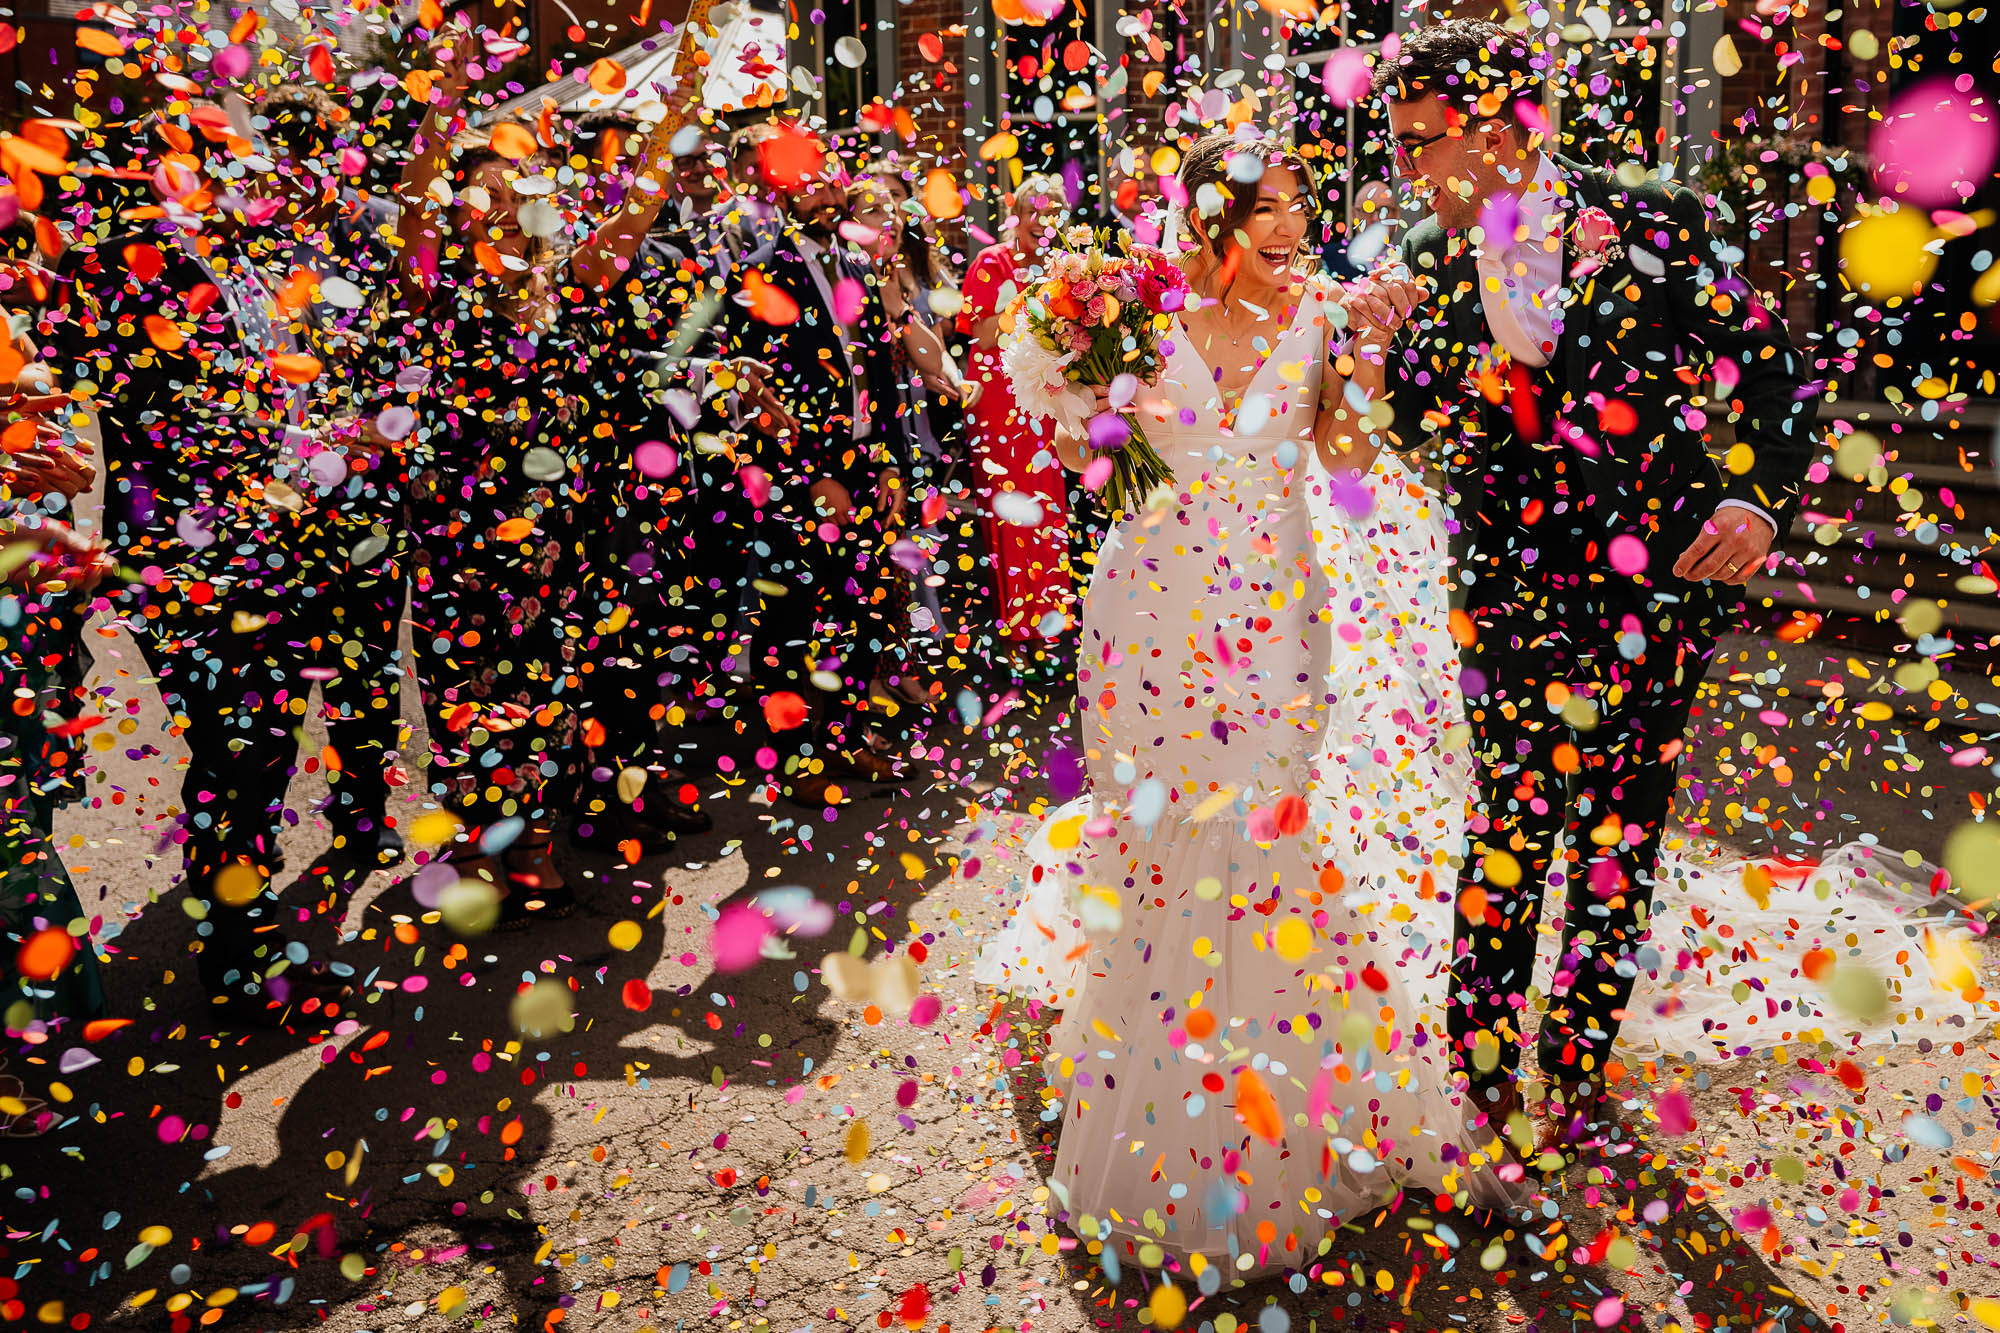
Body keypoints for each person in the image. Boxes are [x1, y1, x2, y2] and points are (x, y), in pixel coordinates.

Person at [974, 132, 1489, 1276]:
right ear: (1209, 218)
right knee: (1161, 840)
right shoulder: (1126, 307)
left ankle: (1290, 1107)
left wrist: (1365, 363)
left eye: (1296, 209)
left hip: (1272, 614)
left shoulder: (1320, 313)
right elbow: (1091, 464)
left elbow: (1349, 466)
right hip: (1148, 612)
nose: (1290, 229)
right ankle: (1159, 1099)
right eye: (1266, 210)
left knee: (1263, 832)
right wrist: (1074, 375)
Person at [1369, 19, 1818, 1156]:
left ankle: (1572, 1070)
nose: (1403, 162)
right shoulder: (1419, 256)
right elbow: (1413, 423)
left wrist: (1751, 499)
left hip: (1656, 591)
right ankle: (1474, 1081)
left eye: (1419, 138)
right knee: (1508, 827)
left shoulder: (1653, 219)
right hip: (1505, 586)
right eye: (1394, 136)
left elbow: (1770, 374)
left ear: (1495, 122)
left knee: (1619, 837)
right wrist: (1386, 354)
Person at [53, 105, 373, 1028]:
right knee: (237, 758)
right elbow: (161, 408)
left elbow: (266, 392)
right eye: (227, 161)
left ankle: (246, 933)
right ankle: (240, 966)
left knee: (260, 751)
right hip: (195, 557)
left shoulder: (244, 263)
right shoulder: (130, 264)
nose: (252, 174)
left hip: (267, 545)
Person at [710, 136, 914, 808]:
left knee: (861, 613)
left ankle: (849, 735)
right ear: (777, 193)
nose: (826, 190)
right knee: (789, 625)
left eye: (829, 177)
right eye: (808, 182)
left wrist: (888, 464)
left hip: (864, 466)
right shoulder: (760, 272)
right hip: (797, 477)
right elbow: (758, 391)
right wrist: (813, 475)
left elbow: (882, 369)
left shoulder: (857, 260)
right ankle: (795, 759)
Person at [957, 175, 1072, 666]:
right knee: (1010, 515)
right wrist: (1026, 298)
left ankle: (1050, 627)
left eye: (1052, 213)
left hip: (1046, 402)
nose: (1042, 222)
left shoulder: (1062, 264)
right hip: (999, 402)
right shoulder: (991, 263)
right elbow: (981, 337)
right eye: (1034, 212)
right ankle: (1016, 633)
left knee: (1049, 510)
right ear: (1017, 216)